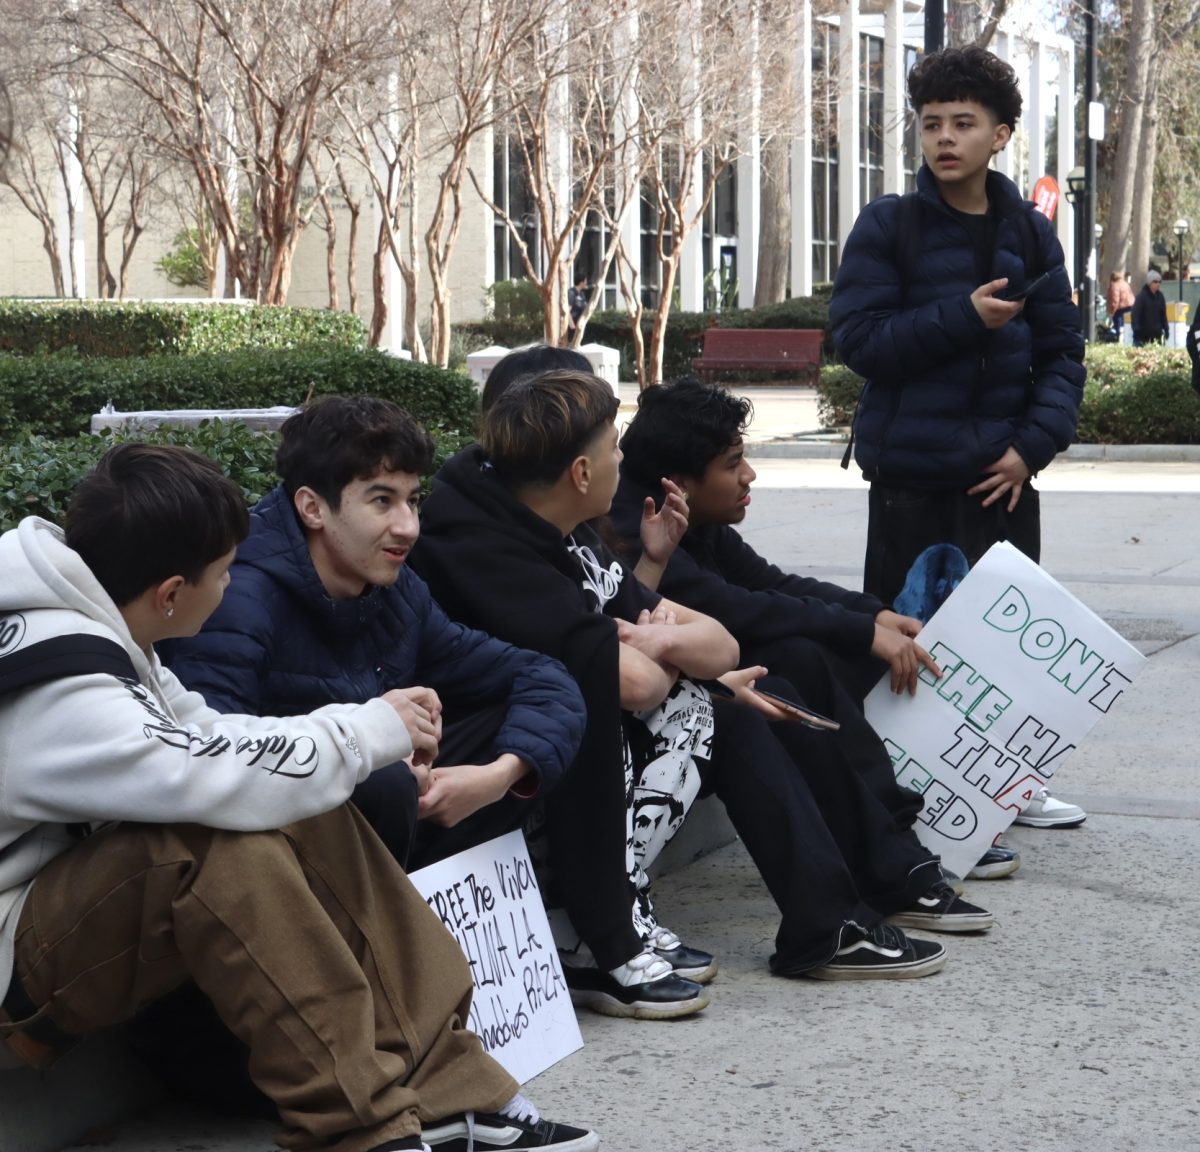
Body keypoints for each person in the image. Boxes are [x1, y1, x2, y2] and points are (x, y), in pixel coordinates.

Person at [0, 443, 597, 1152]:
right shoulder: (57, 686)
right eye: (223, 574)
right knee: (207, 843)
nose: (231, 587)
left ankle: (446, 1093)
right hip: (17, 968)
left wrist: (357, 730)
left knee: (297, 799)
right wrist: (367, 730)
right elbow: (206, 775)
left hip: (60, 913)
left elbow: (215, 735)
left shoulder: (92, 618)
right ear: (170, 593)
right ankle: (357, 1128)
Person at [414, 368, 997, 998]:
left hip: (577, 724)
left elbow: (723, 638)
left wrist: (661, 644)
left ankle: (834, 918)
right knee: (719, 699)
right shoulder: (489, 544)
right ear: (580, 473)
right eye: (612, 446)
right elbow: (635, 681)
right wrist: (669, 652)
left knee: (749, 694)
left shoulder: (569, 523)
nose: (622, 456)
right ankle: (599, 931)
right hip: (497, 750)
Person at [611, 375, 1019, 881]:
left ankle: (897, 830)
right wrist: (861, 630)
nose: (750, 476)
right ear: (679, 481)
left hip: (703, 675)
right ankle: (888, 837)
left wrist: (870, 615)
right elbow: (737, 607)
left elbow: (768, 582)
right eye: (733, 464)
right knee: (800, 657)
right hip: (659, 708)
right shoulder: (634, 527)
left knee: (834, 646)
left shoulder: (688, 513)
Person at [165, 395, 587, 876]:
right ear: (312, 507)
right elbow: (215, 762)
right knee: (384, 782)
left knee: (525, 732)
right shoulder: (238, 598)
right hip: (277, 846)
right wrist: (368, 751)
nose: (408, 527)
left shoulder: (395, 588)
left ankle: (441, 913)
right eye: (382, 500)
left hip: (385, 821)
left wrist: (497, 777)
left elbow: (540, 674)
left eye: (413, 500)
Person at [829, 44, 1085, 612]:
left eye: (963, 123)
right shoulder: (888, 224)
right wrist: (964, 317)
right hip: (908, 488)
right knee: (907, 663)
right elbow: (859, 341)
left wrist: (1031, 449)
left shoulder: (1030, 235)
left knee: (999, 669)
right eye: (932, 124)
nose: (945, 138)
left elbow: (1063, 354)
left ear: (1000, 135)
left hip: (1000, 485)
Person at [1131, 269, 1169, 346]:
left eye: (1159, 282)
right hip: (1143, 336)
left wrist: (1166, 329)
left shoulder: (1160, 296)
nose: (1158, 284)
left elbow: (1163, 315)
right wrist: (1136, 331)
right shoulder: (1141, 297)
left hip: (1157, 335)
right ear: (1149, 283)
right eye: (1155, 281)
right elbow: (1135, 315)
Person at [1106, 269, 1135, 334]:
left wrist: (1112, 312)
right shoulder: (1125, 283)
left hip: (1121, 309)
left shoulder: (1115, 286)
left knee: (1119, 326)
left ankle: (1119, 338)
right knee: (1128, 326)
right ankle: (1128, 339)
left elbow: (1115, 301)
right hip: (1130, 307)